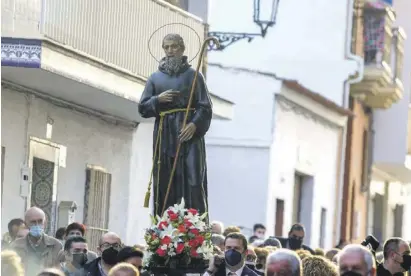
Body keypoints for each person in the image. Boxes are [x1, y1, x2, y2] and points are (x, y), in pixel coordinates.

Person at [138, 33, 212, 216]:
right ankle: (164, 225)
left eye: (174, 47)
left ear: (182, 49)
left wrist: (194, 125)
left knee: (193, 180)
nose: (170, 51)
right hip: (165, 133)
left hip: (189, 135)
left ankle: (196, 225)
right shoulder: (154, 78)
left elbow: (205, 106)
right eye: (166, 47)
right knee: (165, 180)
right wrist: (157, 99)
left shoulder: (195, 76)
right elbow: (143, 108)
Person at [11, 207, 63, 275]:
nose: (37, 224)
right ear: (26, 224)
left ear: (45, 222)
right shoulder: (15, 246)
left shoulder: (56, 245)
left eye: (40, 221)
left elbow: (60, 271)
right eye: (33, 222)